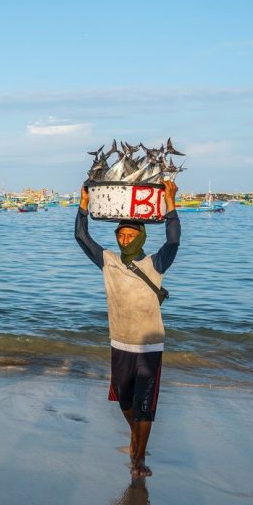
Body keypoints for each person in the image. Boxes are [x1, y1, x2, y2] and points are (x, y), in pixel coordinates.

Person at [76, 179, 180, 478]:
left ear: (140, 236)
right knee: (124, 400)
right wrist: (83, 202)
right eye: (120, 234)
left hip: (149, 346)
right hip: (120, 343)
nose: (124, 239)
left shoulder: (155, 263)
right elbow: (81, 236)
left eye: (130, 234)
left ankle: (138, 458)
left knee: (144, 405)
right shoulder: (108, 262)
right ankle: (135, 434)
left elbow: (173, 241)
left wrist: (170, 202)